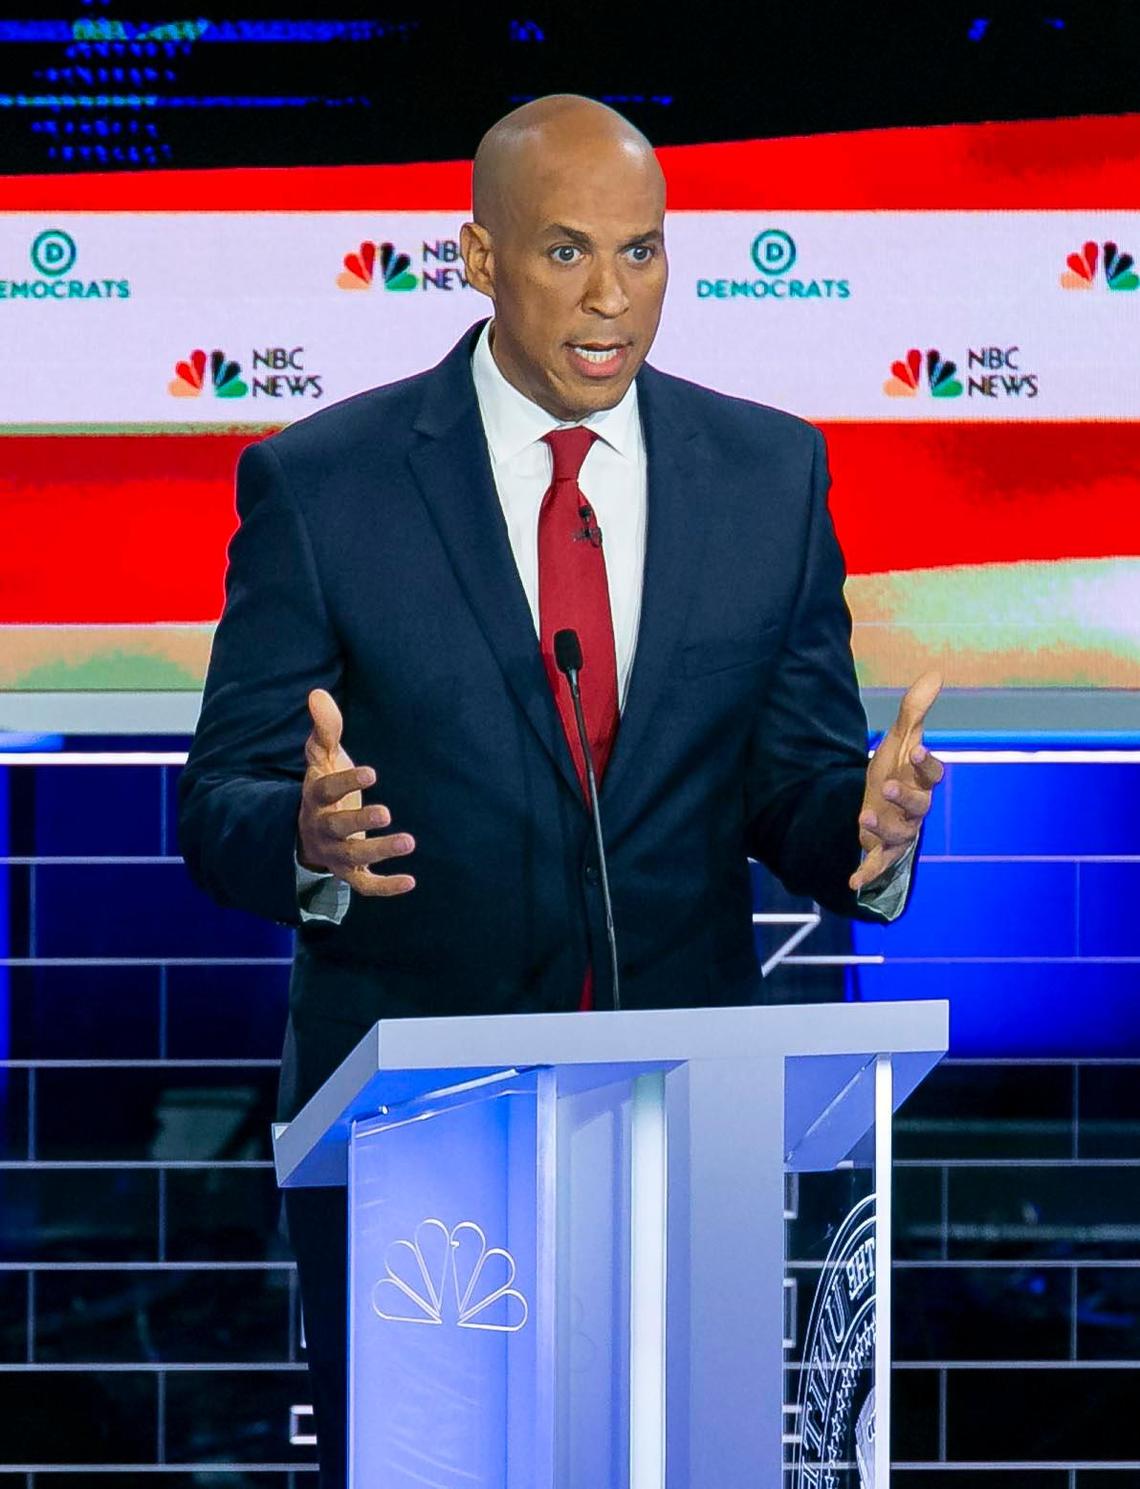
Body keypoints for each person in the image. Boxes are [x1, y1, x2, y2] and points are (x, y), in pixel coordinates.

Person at [178, 94, 943, 1488]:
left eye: (643, 254)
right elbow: (217, 795)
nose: (614, 302)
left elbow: (794, 778)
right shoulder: (325, 486)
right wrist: (302, 833)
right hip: (419, 1122)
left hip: (682, 1120)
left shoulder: (770, 472)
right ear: (476, 257)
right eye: (567, 254)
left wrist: (863, 829)